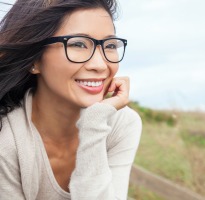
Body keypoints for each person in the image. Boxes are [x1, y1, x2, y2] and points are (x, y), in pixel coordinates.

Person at [0, 0, 142, 199]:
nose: (100, 65)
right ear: (34, 60)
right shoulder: (7, 139)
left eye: (109, 45)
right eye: (78, 44)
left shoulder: (120, 124)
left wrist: (95, 123)